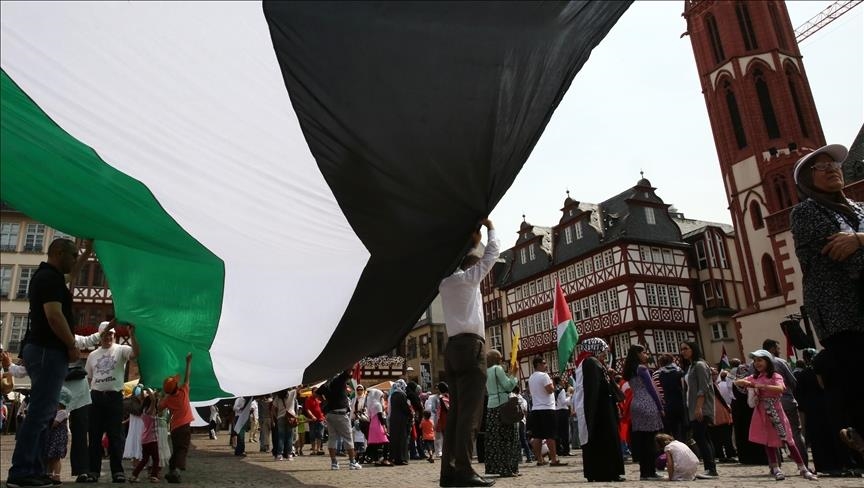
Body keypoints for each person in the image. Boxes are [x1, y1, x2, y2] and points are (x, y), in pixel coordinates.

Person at [790, 143, 864, 465]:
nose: (834, 169)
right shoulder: (806, 212)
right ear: (808, 178)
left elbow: (855, 249)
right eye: (823, 167)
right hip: (843, 315)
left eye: (835, 165)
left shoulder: (859, 209)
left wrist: (859, 239)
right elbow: (850, 261)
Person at [7, 238, 91, 488]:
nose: (76, 259)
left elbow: (70, 276)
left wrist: (88, 253)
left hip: (43, 350)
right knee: (40, 413)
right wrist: (71, 344)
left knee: (43, 413)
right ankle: (21, 472)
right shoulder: (49, 279)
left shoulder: (49, 277)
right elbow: (54, 316)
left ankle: (33, 469)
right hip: (47, 350)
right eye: (73, 254)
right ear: (58, 252)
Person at [437, 218, 500, 488]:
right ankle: (464, 469)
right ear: (470, 266)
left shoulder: (444, 283)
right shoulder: (468, 280)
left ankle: (449, 473)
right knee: (470, 414)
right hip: (471, 347)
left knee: (456, 414)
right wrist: (490, 228)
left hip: (451, 349)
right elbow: (493, 253)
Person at [734, 350, 818, 481]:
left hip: (776, 410)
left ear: (768, 361)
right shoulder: (755, 377)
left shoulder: (775, 375)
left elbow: (780, 388)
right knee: (768, 441)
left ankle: (802, 468)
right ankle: (776, 468)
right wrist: (744, 382)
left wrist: (761, 386)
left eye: (760, 360)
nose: (757, 363)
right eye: (755, 361)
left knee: (788, 439)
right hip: (762, 412)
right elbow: (738, 382)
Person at [85, 320, 139, 483]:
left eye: (110, 334)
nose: (108, 337)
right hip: (96, 397)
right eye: (105, 334)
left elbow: (136, 354)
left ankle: (117, 471)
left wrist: (132, 335)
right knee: (94, 435)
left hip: (114, 397)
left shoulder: (121, 350)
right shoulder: (92, 355)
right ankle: (93, 471)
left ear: (114, 335)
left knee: (115, 435)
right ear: (100, 336)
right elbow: (88, 378)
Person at [572, 337, 625, 482]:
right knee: (604, 439)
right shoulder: (590, 362)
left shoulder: (592, 362)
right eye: (602, 351)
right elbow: (594, 388)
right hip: (601, 409)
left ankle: (605, 472)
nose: (604, 355)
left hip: (602, 407)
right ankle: (606, 472)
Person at [762, 338, 807, 467]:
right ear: (772, 349)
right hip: (786, 401)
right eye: (777, 347)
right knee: (795, 434)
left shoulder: (755, 365)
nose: (779, 350)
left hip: (766, 404)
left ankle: (775, 466)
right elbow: (793, 382)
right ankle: (803, 464)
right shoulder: (780, 362)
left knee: (771, 435)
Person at [623, 344, 663, 480]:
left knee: (642, 441)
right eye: (644, 353)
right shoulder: (642, 368)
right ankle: (651, 472)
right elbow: (652, 389)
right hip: (647, 403)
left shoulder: (630, 370)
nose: (646, 355)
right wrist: (660, 407)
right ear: (638, 354)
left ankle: (644, 472)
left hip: (636, 404)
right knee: (650, 441)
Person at [679, 341, 718, 479]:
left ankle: (711, 469)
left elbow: (704, 387)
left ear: (693, 349)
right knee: (704, 437)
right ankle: (710, 467)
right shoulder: (690, 367)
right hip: (693, 407)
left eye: (686, 349)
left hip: (701, 407)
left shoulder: (700, 365)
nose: (683, 351)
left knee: (700, 437)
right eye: (682, 349)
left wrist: (699, 407)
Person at [483, 350, 520, 478]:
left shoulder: (486, 370)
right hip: (502, 405)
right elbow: (508, 386)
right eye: (500, 358)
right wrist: (514, 375)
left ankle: (498, 467)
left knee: (496, 439)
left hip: (491, 406)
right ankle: (509, 468)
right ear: (497, 359)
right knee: (508, 438)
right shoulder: (497, 369)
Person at [158, 352, 194, 484]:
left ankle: (171, 470)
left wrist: (162, 394)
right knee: (182, 449)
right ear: (177, 386)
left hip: (174, 428)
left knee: (177, 448)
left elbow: (159, 408)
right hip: (184, 427)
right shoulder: (184, 391)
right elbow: (187, 377)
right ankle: (176, 471)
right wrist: (188, 362)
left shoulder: (168, 400)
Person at [527, 355, 566, 467]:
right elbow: (549, 390)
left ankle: (539, 459)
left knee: (538, 436)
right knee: (550, 435)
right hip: (547, 408)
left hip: (536, 408)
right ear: (538, 364)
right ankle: (554, 459)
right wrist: (554, 385)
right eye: (544, 363)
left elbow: (531, 392)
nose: (546, 365)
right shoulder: (544, 376)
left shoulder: (531, 378)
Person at [322, 369, 363, 470]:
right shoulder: (339, 379)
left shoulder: (327, 382)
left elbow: (318, 394)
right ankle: (352, 462)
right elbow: (348, 370)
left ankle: (334, 463)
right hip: (340, 413)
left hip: (330, 413)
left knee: (332, 438)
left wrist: (327, 402)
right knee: (348, 438)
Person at [652, 354, 685, 441]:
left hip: (666, 405)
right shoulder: (679, 371)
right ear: (672, 361)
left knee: (671, 432)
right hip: (680, 403)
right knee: (683, 430)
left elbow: (657, 391)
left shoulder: (656, 374)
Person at [130, 393, 161, 483]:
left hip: (144, 440)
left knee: (144, 460)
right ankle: (154, 476)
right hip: (152, 440)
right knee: (156, 459)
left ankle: (134, 475)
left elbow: (150, 400)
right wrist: (150, 392)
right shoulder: (149, 412)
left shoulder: (143, 411)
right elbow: (153, 400)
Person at [45, 387, 71, 484]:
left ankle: (57, 476)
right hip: (52, 438)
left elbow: (54, 424)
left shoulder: (62, 412)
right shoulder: (58, 411)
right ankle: (48, 474)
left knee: (56, 458)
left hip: (58, 438)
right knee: (50, 458)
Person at [364, 387, 392, 466]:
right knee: (386, 442)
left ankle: (376, 460)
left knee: (375, 444)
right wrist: (385, 428)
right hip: (378, 425)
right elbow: (380, 417)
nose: (381, 397)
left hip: (372, 424)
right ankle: (385, 459)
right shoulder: (378, 405)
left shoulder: (371, 404)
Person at [388, 379, 412, 466]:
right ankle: (402, 458)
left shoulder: (393, 395)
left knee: (395, 439)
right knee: (402, 438)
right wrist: (410, 414)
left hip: (394, 419)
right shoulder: (401, 395)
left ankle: (395, 457)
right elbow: (405, 408)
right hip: (401, 419)